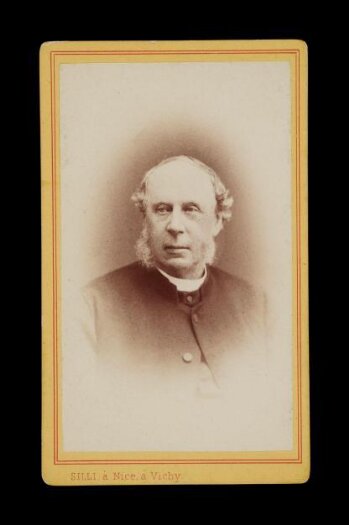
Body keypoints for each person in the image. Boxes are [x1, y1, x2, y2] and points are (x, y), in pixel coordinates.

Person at [82, 155, 267, 402]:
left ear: (218, 221)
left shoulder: (257, 306)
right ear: (145, 221)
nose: (175, 225)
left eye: (191, 209)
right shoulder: (92, 306)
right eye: (162, 209)